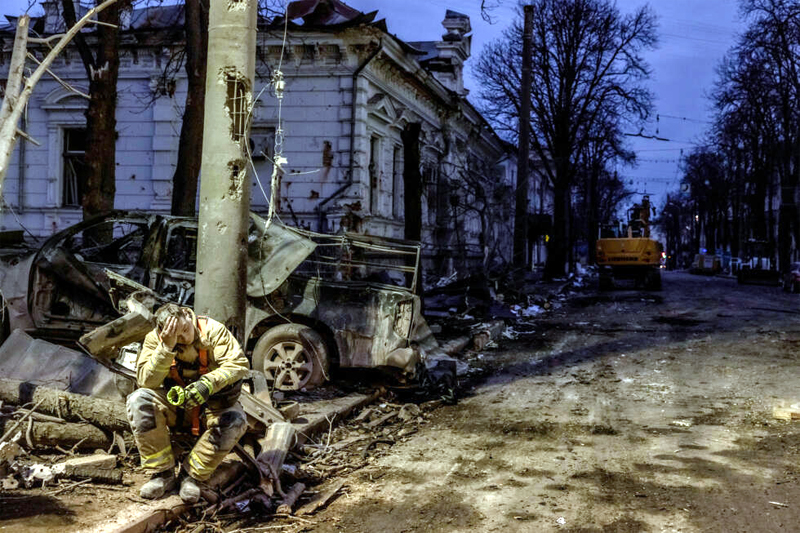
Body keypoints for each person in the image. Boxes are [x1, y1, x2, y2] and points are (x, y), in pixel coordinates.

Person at [125, 303, 249, 503]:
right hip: (176, 404)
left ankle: (191, 477)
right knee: (139, 400)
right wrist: (166, 348)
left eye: (184, 329)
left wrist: (208, 383)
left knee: (235, 421)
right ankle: (162, 474)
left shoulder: (213, 330)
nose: (184, 338)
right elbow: (146, 382)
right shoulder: (155, 339)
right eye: (177, 335)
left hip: (212, 406)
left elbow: (239, 365)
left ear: (187, 314)